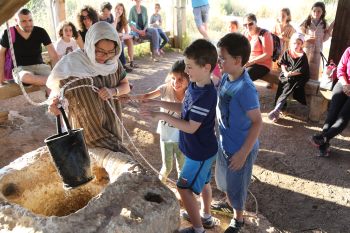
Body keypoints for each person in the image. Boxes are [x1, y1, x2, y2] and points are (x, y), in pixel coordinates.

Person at [140, 39, 218, 233]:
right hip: (200, 151)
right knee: (205, 182)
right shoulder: (194, 85)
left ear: (206, 67)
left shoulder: (206, 95)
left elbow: (191, 126)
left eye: (190, 67)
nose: (187, 71)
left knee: (184, 189)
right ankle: (205, 216)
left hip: (199, 153)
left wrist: (161, 115)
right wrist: (160, 105)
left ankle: (198, 229)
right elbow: (184, 108)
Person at [47, 21, 130, 153]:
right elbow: (57, 94)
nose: (105, 56)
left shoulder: (114, 62)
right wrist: (55, 104)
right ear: (91, 45)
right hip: (86, 134)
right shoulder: (71, 64)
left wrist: (113, 91)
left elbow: (126, 86)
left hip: (113, 127)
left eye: (110, 52)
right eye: (100, 51)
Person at [216, 32, 262, 233]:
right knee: (225, 181)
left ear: (237, 60)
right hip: (225, 142)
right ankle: (229, 202)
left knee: (237, 186)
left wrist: (243, 153)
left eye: (222, 58)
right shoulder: (227, 76)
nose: (219, 61)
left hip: (240, 149)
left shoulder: (246, 88)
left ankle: (239, 219)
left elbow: (258, 122)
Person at [128, 60, 189, 183]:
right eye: (173, 78)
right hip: (166, 135)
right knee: (167, 167)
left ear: (189, 79)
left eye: (180, 79)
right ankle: (159, 188)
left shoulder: (191, 94)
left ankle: (184, 193)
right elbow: (146, 96)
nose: (175, 83)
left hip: (183, 137)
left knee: (182, 168)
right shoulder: (165, 89)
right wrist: (128, 97)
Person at [0, 8, 58, 87]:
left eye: (30, 20)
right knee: (25, 77)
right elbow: (1, 53)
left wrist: (58, 71)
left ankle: (52, 93)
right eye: (23, 21)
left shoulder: (40, 32)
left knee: (51, 87)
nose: (28, 24)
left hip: (40, 66)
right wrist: (1, 75)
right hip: (21, 69)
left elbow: (53, 55)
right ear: (16, 21)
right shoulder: (9, 33)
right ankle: (54, 82)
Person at [310, 47, 350, 157]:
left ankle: (323, 139)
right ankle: (323, 144)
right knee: (332, 113)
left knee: (343, 117)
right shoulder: (349, 50)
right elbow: (340, 69)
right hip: (343, 83)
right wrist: (346, 84)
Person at [268, 33, 310, 122]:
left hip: (298, 76)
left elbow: (302, 70)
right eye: (294, 43)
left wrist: (291, 74)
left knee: (288, 85)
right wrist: (285, 72)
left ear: (302, 44)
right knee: (282, 84)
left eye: (299, 43)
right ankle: (279, 108)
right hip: (287, 74)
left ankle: (277, 109)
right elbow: (282, 63)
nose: (296, 45)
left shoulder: (303, 56)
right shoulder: (288, 52)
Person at [300, 2, 334, 80]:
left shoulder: (324, 24)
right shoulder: (306, 22)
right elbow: (300, 34)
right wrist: (306, 37)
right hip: (306, 50)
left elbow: (324, 38)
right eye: (314, 11)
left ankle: (311, 89)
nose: (316, 13)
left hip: (318, 51)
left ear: (322, 12)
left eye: (319, 11)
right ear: (311, 11)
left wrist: (330, 29)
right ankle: (300, 86)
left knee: (314, 71)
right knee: (303, 67)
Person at [243, 13, 273, 83]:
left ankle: (248, 93)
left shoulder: (264, 34)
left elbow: (268, 54)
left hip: (263, 64)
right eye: (245, 25)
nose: (247, 26)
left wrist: (250, 62)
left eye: (250, 24)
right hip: (249, 62)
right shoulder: (245, 33)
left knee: (244, 76)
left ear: (256, 23)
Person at [114, 3, 137, 69]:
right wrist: (116, 18)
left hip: (122, 36)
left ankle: (131, 61)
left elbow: (127, 32)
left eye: (121, 9)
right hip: (115, 37)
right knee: (122, 38)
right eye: (118, 9)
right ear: (115, 9)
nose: (119, 11)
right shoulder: (113, 18)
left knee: (129, 40)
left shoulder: (123, 19)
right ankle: (123, 64)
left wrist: (125, 36)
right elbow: (113, 32)